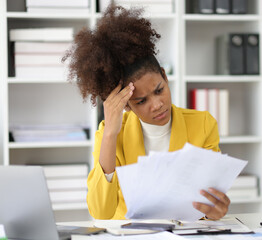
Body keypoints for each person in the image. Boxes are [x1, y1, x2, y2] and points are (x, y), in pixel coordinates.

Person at [63, 4, 230, 220]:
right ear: (125, 104)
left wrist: (214, 211)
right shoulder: (110, 134)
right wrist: (111, 134)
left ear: (165, 76)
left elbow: (209, 204)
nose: (157, 104)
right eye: (141, 101)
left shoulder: (203, 124)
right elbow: (101, 212)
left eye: (159, 90)